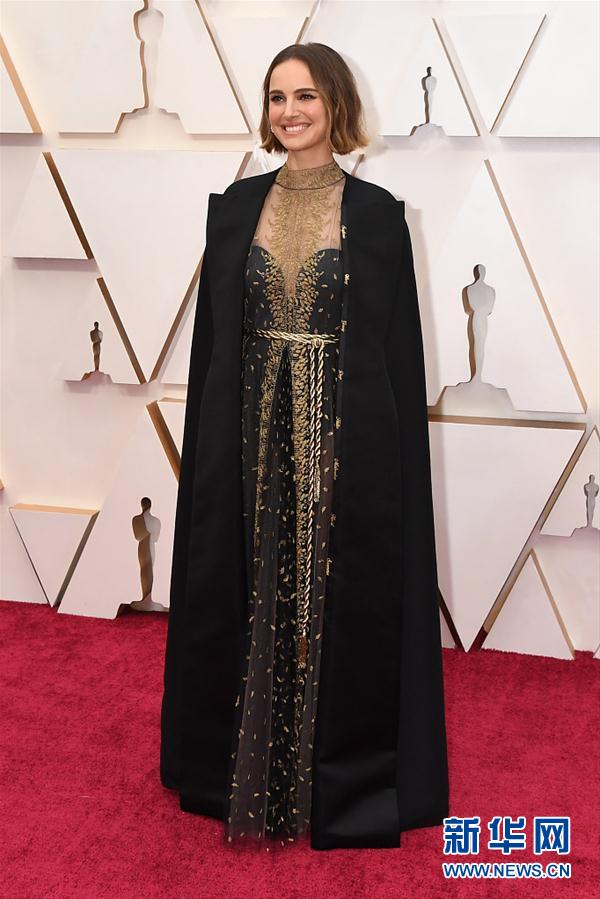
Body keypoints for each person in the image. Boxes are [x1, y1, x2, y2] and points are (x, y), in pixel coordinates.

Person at [160, 42, 449, 852]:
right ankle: (239, 762)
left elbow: (395, 357)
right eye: (277, 97)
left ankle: (334, 775)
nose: (290, 112)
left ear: (336, 106)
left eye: (307, 96)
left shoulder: (379, 215)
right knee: (251, 584)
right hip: (249, 435)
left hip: (341, 437)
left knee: (329, 587)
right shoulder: (234, 209)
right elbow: (215, 347)